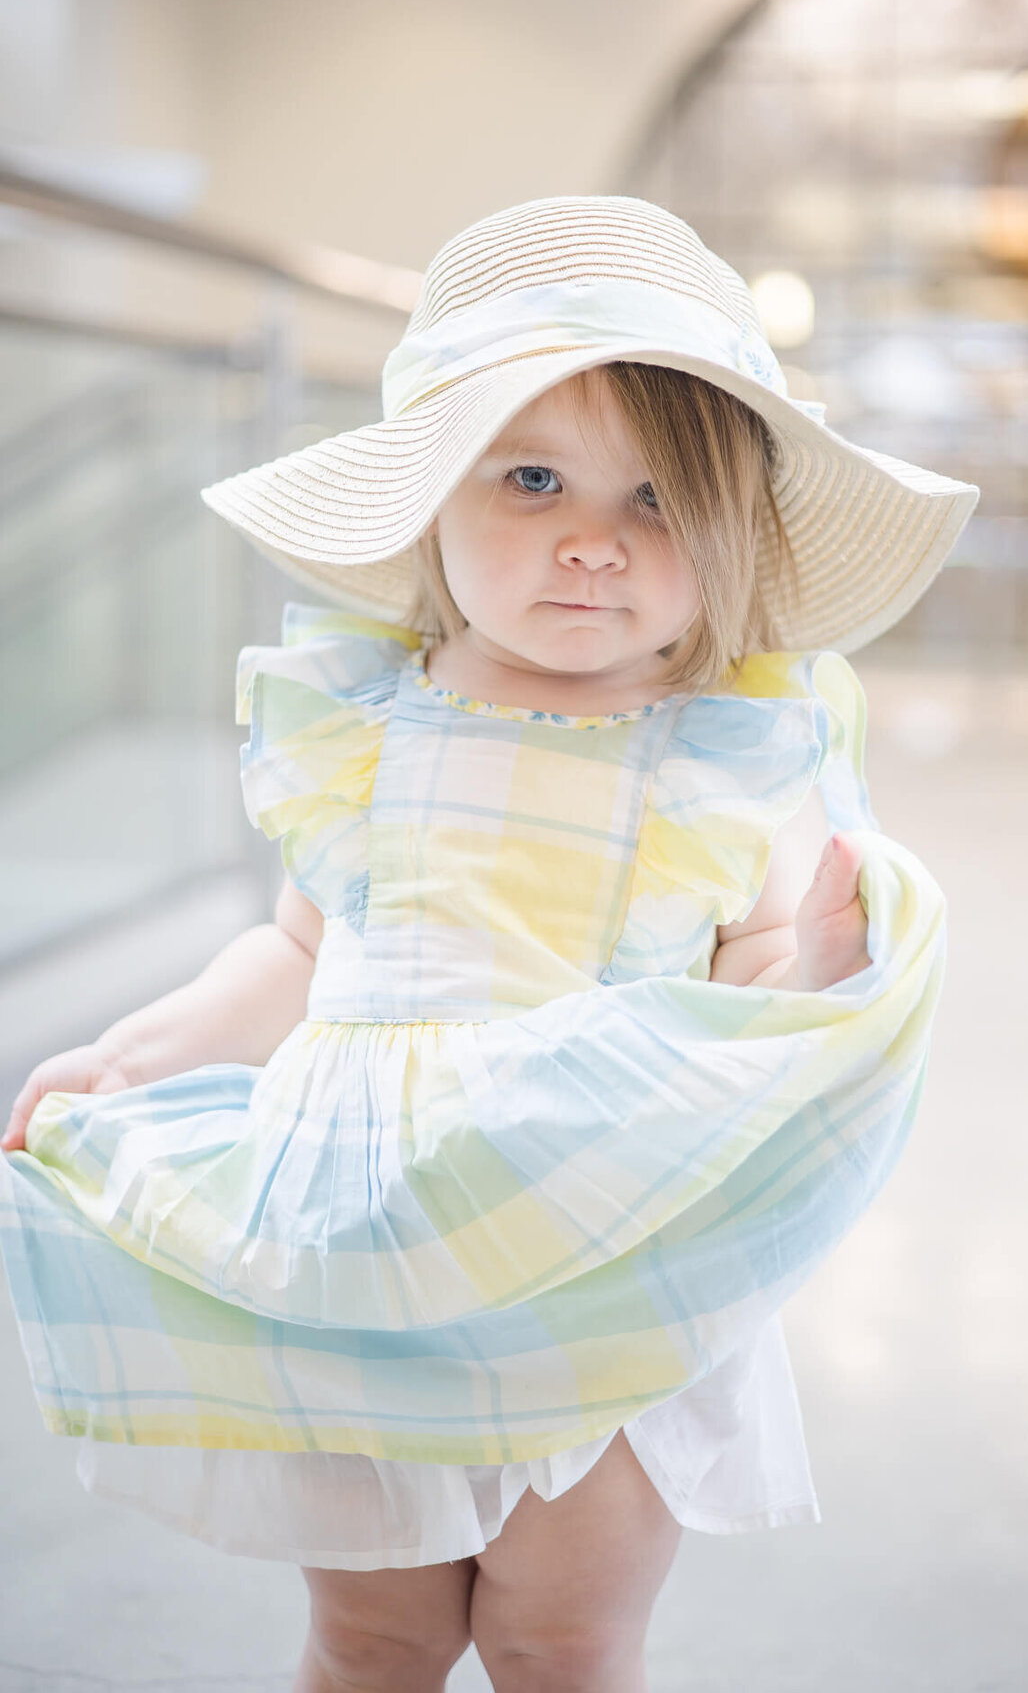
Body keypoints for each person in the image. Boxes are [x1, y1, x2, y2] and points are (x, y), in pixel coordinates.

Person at [0, 195, 977, 1693]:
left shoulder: (719, 754)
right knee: (371, 1635)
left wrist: (825, 961)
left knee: (562, 1638)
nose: (594, 545)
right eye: (535, 478)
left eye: (658, 501)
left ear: (725, 535)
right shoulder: (368, 727)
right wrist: (135, 1055)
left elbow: (747, 1005)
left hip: (600, 1248)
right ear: (434, 495)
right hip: (370, 1231)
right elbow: (297, 950)